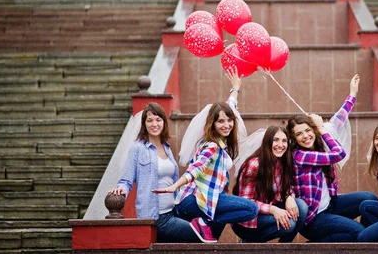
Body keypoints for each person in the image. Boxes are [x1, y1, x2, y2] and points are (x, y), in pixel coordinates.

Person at [153, 68, 258, 243]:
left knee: (213, 237)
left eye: (229, 120)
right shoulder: (212, 146)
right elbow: (196, 168)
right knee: (251, 209)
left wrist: (235, 88)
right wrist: (175, 186)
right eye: (220, 121)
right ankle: (204, 222)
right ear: (213, 124)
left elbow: (230, 106)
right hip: (193, 200)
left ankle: (206, 225)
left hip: (208, 199)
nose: (226, 125)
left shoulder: (221, 142)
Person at [287, 74, 378, 242]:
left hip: (331, 205)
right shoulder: (300, 155)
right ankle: (315, 245)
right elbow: (339, 154)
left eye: (308, 130)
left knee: (370, 200)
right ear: (294, 139)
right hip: (314, 219)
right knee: (358, 232)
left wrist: (352, 94)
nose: (305, 136)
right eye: (299, 134)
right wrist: (321, 128)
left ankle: (366, 239)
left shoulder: (318, 143)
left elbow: (338, 121)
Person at [109, 103, 200, 243]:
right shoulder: (138, 148)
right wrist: (121, 190)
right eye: (149, 120)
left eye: (158, 119)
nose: (154, 124)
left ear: (164, 121)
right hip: (157, 217)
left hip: (174, 211)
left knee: (206, 226)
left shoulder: (166, 148)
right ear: (144, 124)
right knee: (199, 235)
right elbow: (126, 180)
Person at [231, 125, 308, 242]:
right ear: (267, 142)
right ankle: (251, 241)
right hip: (247, 221)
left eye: (284, 141)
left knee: (301, 207)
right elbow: (245, 202)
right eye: (275, 140)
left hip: (266, 213)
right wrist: (273, 210)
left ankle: (284, 248)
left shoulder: (281, 162)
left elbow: (286, 187)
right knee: (289, 223)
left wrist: (289, 197)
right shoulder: (254, 165)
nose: (280, 145)